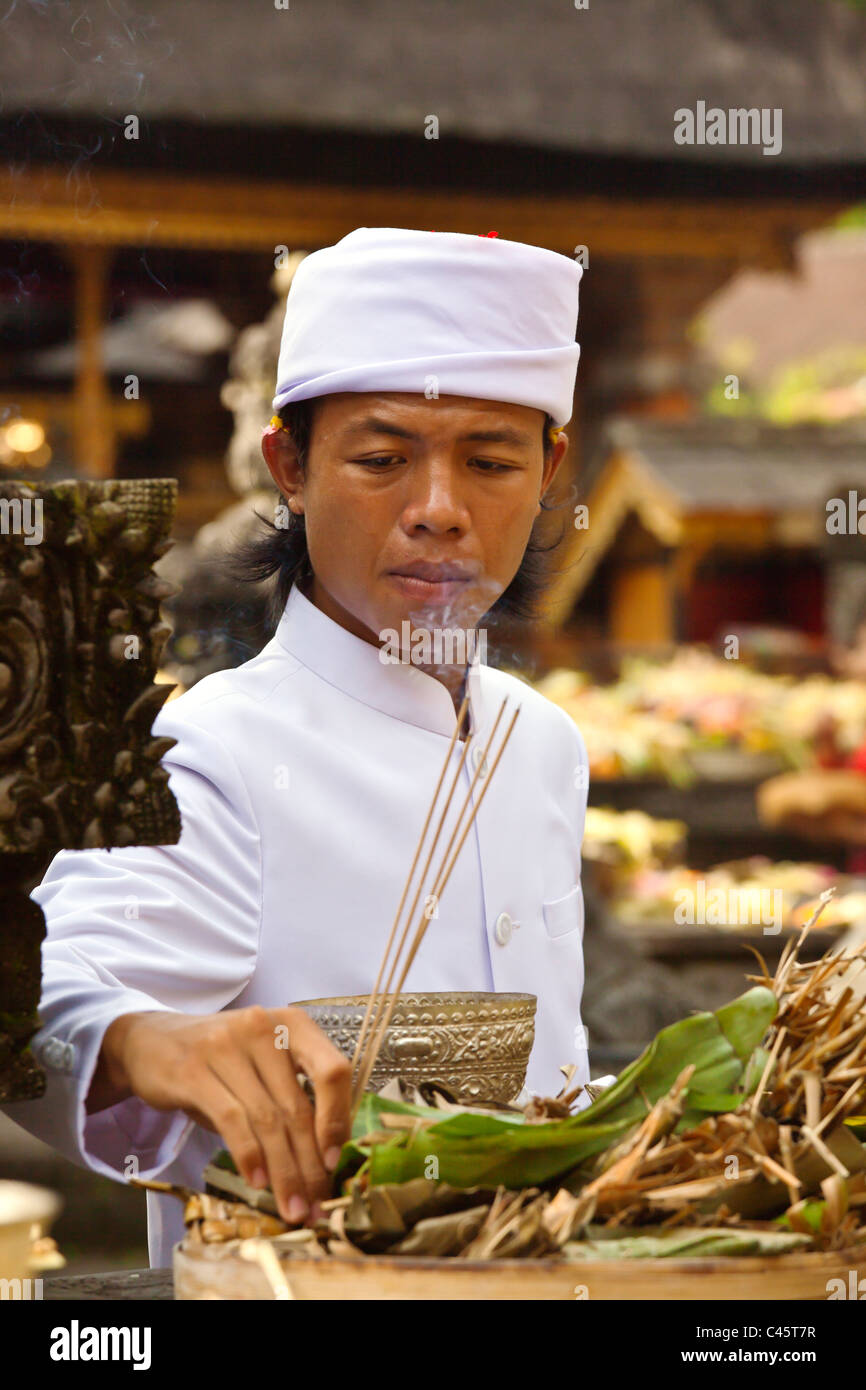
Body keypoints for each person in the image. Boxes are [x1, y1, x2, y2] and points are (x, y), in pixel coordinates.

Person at [2, 227, 590, 1268]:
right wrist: (145, 1040)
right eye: (380, 458)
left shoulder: (539, 742)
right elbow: (46, 1002)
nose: (439, 511)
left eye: (490, 460)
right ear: (289, 465)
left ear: (547, 472)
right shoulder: (211, 748)